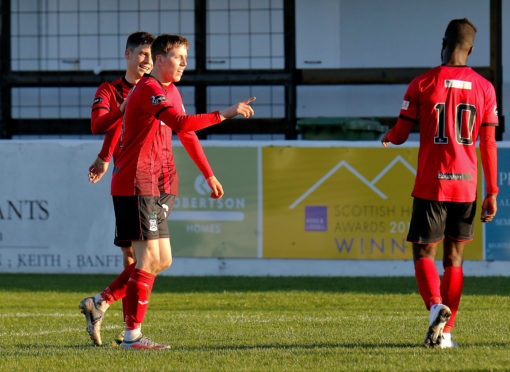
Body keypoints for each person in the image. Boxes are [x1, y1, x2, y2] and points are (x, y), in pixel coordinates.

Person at [92, 33, 254, 350]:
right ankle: (130, 334)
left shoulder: (169, 90)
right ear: (160, 58)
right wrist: (226, 113)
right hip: (139, 182)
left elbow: (185, 131)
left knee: (160, 260)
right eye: (178, 57)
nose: (184, 63)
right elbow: (180, 123)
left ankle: (102, 303)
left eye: (185, 57)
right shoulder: (149, 89)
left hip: (159, 184)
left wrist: (209, 174)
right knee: (144, 258)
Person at [382, 18, 498, 349]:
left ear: (442, 43)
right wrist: (492, 190)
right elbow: (488, 144)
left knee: (423, 251)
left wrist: (389, 136)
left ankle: (436, 305)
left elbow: (402, 134)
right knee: (455, 258)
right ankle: (445, 336)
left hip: (432, 183)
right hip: (466, 185)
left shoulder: (422, 84)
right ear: (471, 50)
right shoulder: (485, 88)